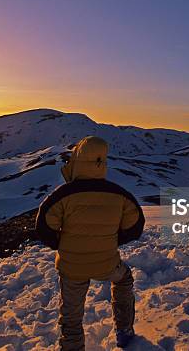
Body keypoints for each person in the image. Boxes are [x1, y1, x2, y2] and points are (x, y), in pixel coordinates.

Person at [36, 136, 145, 350]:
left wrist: (61, 244)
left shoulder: (63, 195)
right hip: (107, 263)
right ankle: (124, 330)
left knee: (71, 316)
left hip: (71, 267)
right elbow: (135, 226)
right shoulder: (119, 194)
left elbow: (44, 227)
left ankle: (72, 346)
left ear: (76, 161)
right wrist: (113, 240)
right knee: (123, 280)